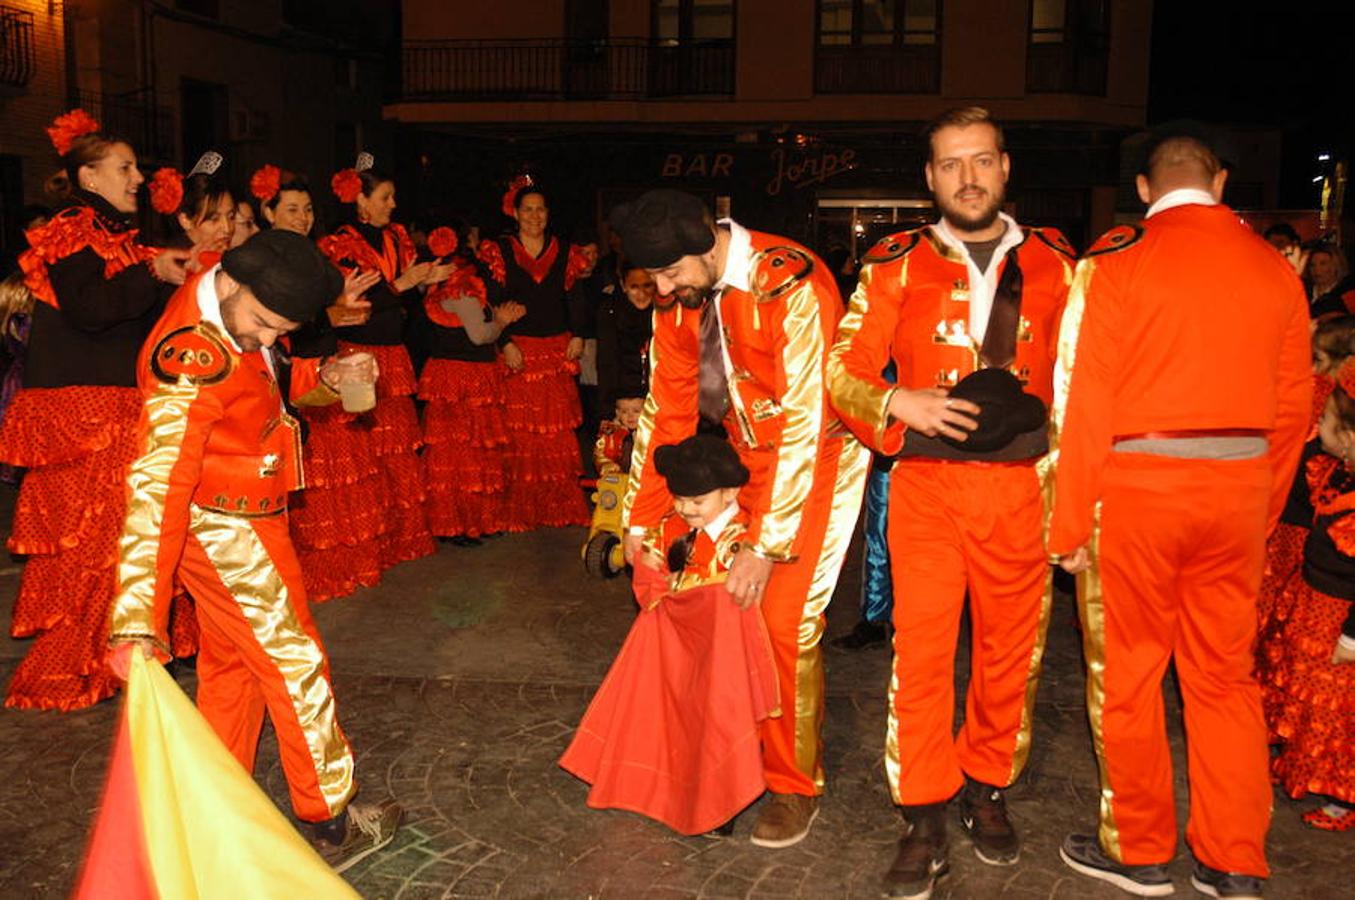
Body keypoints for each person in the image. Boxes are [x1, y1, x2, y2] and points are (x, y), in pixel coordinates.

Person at [1047, 124, 1311, 898]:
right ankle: (1233, 860)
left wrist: (1066, 528)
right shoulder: (1273, 270)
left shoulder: (1122, 261)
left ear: (1142, 189)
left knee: (1131, 674)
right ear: (1221, 182)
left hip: (1141, 485)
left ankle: (1141, 852)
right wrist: (1260, 504)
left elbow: (1086, 402)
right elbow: (1294, 405)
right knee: (1224, 681)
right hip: (1236, 488)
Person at [826, 106, 1074, 898]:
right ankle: (922, 809)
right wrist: (897, 404)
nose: (966, 177)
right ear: (929, 177)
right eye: (949, 164)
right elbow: (841, 368)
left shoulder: (1061, 265)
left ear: (1004, 167)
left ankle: (986, 782)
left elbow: (1084, 385)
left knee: (1010, 653)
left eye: (980, 161)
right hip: (926, 488)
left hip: (1023, 486)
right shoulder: (893, 263)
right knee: (922, 654)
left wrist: (1077, 499)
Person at [105, 228, 402, 872]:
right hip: (226, 527)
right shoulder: (190, 356)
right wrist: (136, 617)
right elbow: (158, 481)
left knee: (235, 669)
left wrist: (322, 374)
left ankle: (217, 803)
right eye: (266, 324)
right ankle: (328, 817)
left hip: (244, 514)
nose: (269, 339)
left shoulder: (233, 304)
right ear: (234, 285)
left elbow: (261, 382)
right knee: (295, 662)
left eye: (281, 330)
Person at [610, 188, 870, 849]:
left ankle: (792, 785)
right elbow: (664, 412)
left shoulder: (791, 282)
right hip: (740, 463)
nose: (663, 291)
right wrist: (639, 520)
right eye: (653, 279)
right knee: (719, 608)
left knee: (781, 624)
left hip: (816, 463)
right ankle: (737, 756)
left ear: (706, 246)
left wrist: (765, 543)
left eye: (671, 275)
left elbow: (808, 421)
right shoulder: (677, 303)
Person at [0, 110, 191, 711]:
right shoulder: (73, 226)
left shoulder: (119, 235)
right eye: (125, 167)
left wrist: (167, 272)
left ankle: (122, 652)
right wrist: (154, 272)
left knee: (122, 538)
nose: (139, 177)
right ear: (88, 175)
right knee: (89, 542)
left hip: (113, 401)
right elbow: (87, 309)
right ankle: (74, 663)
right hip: (83, 409)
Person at [559, 433, 779, 837]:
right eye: (680, 500)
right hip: (677, 643)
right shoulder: (669, 527)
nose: (686, 510)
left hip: (723, 648)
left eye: (697, 502)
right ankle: (657, 779)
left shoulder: (744, 537)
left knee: (717, 714)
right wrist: (656, 581)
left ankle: (723, 795)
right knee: (672, 710)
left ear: (730, 492)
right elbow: (650, 578)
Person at [252, 164, 387, 602]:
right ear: (267, 211)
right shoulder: (262, 259)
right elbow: (275, 328)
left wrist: (342, 308)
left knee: (339, 477)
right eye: (291, 209)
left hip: (325, 365)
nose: (302, 217)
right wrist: (330, 313)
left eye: (307, 209)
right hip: (290, 375)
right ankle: (309, 574)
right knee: (308, 479)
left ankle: (344, 565)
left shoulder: (313, 256)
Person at [320, 156, 451, 568]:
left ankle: (398, 537)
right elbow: (359, 304)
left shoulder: (395, 237)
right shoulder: (341, 242)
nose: (393, 204)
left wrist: (419, 283)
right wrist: (402, 286)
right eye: (385, 196)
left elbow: (395, 298)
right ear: (360, 199)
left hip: (394, 354)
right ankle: (370, 539)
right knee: (367, 450)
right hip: (358, 354)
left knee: (395, 449)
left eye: (393, 196)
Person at [1256, 361, 1355, 833]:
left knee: (1336, 709)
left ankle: (1341, 794)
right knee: (1310, 693)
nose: (1320, 432)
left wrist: (1351, 639)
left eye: (1328, 426)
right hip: (1316, 605)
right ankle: (1301, 763)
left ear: (1350, 437)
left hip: (1341, 622)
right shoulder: (1337, 473)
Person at [476, 179, 592, 530]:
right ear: (515, 212)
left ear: (548, 213)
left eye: (541, 209)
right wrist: (505, 341)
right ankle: (518, 508)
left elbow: (575, 298)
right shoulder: (498, 250)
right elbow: (491, 301)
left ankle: (555, 507)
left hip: (556, 349)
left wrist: (580, 334)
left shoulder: (566, 250)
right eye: (527, 209)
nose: (535, 215)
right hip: (518, 352)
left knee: (554, 432)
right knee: (518, 432)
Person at [419, 223, 524, 544]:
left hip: (446, 374)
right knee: (469, 453)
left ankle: (459, 523)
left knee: (452, 454)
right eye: (476, 238)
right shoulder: (463, 287)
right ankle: (464, 524)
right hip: (467, 376)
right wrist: (502, 323)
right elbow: (480, 335)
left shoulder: (436, 284)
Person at [596, 264, 655, 421]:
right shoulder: (610, 312)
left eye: (647, 285)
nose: (641, 294)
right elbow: (606, 363)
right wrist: (607, 412)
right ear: (623, 286)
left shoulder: (663, 312)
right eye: (634, 287)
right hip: (622, 403)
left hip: (658, 398)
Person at [594, 393, 643, 475]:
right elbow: (600, 454)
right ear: (618, 413)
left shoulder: (650, 433)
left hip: (644, 477)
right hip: (618, 477)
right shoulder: (610, 433)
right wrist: (606, 464)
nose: (630, 416)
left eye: (636, 411)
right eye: (624, 412)